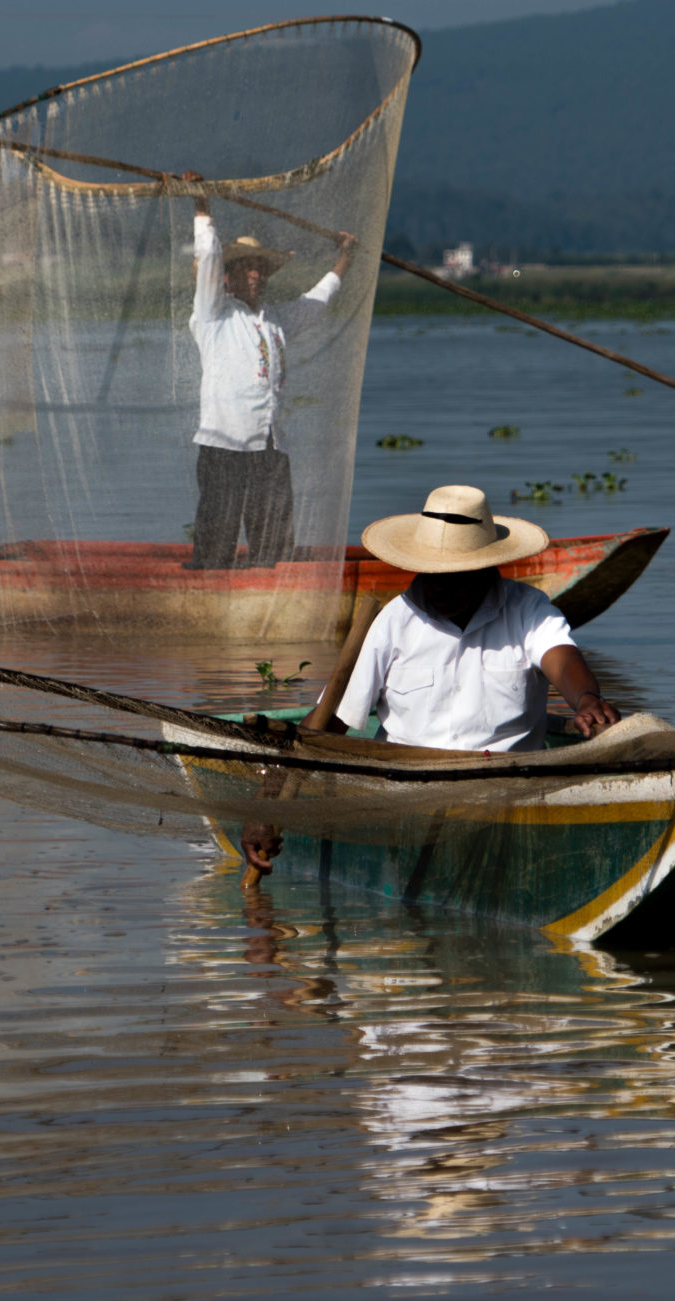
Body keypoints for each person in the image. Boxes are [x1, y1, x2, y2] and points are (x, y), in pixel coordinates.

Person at [239, 484, 620, 877]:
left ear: (489, 567)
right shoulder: (393, 621)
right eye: (433, 574)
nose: (441, 587)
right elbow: (328, 724)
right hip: (403, 798)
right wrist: (266, 805)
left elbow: (561, 657)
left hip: (508, 794)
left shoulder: (528, 610)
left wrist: (587, 699)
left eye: (456, 576)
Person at [181, 173, 354, 570]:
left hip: (270, 443)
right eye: (245, 268)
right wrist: (202, 206)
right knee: (217, 536)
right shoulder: (213, 313)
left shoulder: (274, 320)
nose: (255, 274)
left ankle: (269, 587)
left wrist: (344, 259)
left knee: (274, 539)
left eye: (259, 268)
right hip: (225, 441)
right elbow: (208, 259)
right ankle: (207, 591)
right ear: (229, 276)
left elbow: (315, 303)